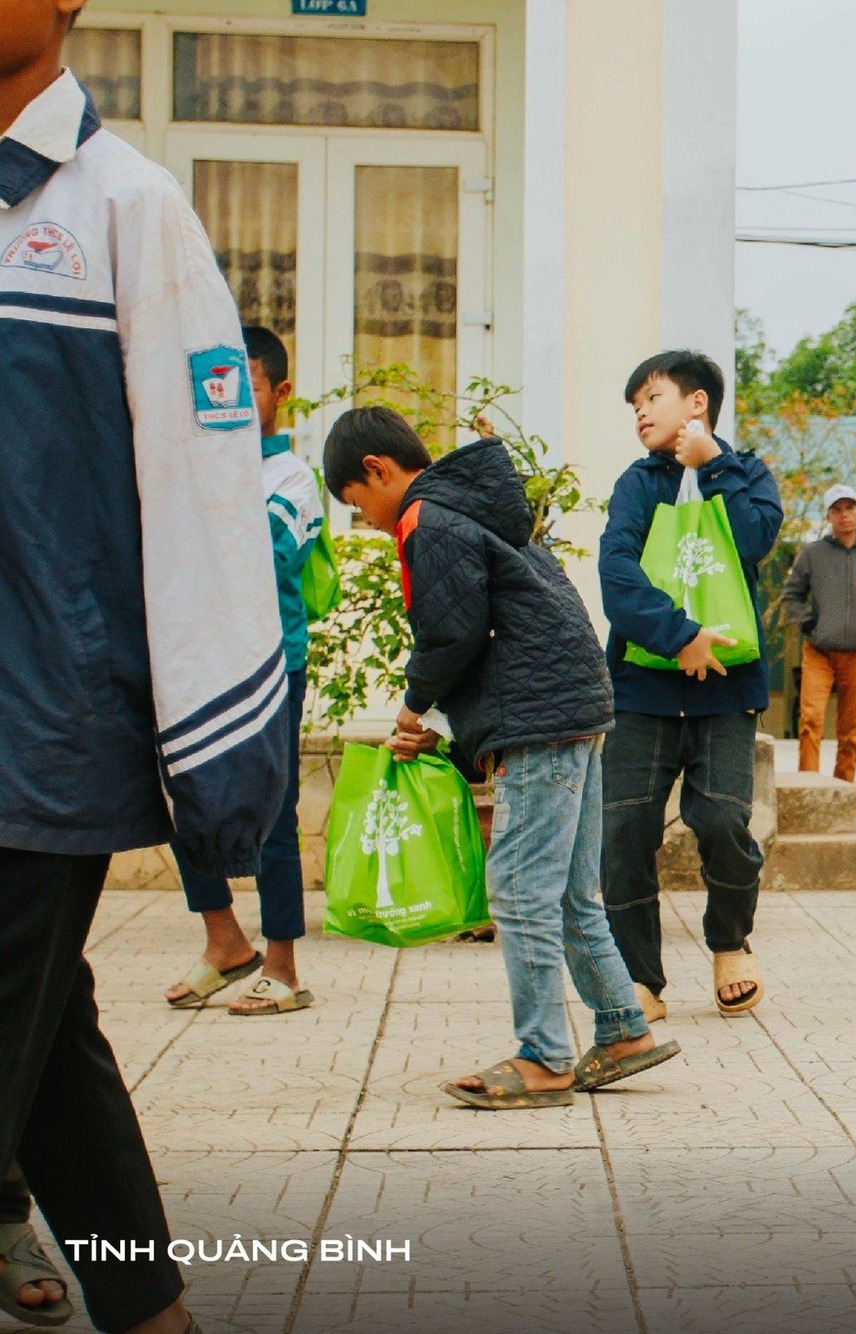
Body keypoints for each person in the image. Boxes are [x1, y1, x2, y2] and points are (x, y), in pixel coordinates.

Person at [1, 24, 286, 1328]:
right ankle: (149, 1308)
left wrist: (219, 762)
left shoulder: (127, 209)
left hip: (37, 735)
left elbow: (205, 496)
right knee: (48, 1044)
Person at [326, 407, 675, 1107]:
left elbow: (451, 635)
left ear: (376, 470)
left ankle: (543, 1057)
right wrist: (448, 727)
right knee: (570, 893)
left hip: (540, 719)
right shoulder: (473, 508)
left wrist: (413, 707)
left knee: (518, 891)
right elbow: (494, 631)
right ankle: (623, 1030)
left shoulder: (429, 520)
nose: (365, 519)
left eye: (357, 504)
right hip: (573, 708)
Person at [599, 350, 783, 1019]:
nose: (641, 413)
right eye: (635, 406)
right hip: (642, 691)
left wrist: (715, 468)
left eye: (652, 397)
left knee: (724, 821)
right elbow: (616, 573)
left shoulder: (748, 473)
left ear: (697, 402)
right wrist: (680, 635)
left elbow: (755, 540)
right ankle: (639, 978)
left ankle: (730, 941)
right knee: (624, 831)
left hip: (725, 692)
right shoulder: (637, 484)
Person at [159, 325, 323, 1017]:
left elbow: (257, 557)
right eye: (215, 390)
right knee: (182, 799)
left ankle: (283, 967)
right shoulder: (191, 473)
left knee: (275, 814)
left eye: (244, 387)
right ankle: (224, 941)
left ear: (280, 392)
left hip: (268, 666)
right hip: (194, 662)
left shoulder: (293, 479)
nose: (227, 402)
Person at [781, 485, 856, 782]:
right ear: (828, 516)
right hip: (819, 650)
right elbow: (792, 594)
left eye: (849, 508)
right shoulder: (812, 553)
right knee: (810, 720)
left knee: (850, 730)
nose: (844, 515)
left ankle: (843, 788)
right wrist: (807, 623)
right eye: (837, 510)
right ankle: (808, 787)